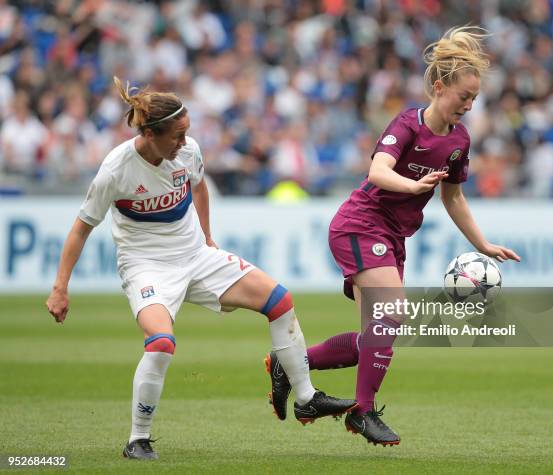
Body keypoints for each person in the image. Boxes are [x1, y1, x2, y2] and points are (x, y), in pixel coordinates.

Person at [46, 77, 357, 461]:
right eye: (176, 135)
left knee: (280, 300)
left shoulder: (187, 151)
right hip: (147, 268)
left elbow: (200, 187)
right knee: (161, 343)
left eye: (186, 133)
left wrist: (208, 237)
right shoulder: (116, 170)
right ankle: (137, 440)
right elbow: (81, 228)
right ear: (148, 133)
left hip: (196, 256)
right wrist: (60, 287)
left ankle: (306, 397)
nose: (184, 142)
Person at [264, 27, 521, 446]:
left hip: (393, 235)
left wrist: (482, 244)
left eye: (474, 99)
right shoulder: (408, 123)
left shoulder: (459, 141)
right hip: (360, 222)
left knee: (375, 336)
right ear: (440, 87)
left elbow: (453, 197)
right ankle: (362, 414)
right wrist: (413, 186)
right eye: (463, 96)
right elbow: (378, 172)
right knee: (394, 313)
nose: (469, 105)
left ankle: (288, 364)